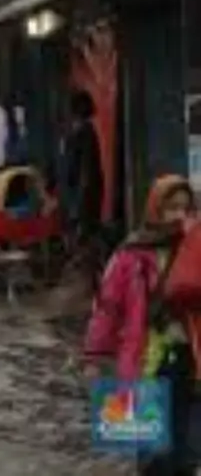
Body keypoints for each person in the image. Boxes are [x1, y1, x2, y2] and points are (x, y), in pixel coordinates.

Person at [84, 175, 201, 474]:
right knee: (151, 458)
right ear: (155, 208)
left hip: (192, 359)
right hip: (144, 360)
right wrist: (95, 356)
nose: (179, 216)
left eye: (186, 209)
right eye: (171, 207)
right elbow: (108, 307)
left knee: (189, 454)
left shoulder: (195, 250)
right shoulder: (130, 255)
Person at [64, 90, 105, 285]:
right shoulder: (80, 131)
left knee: (86, 236)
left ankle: (91, 282)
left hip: (85, 194)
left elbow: (85, 169)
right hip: (83, 193)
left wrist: (80, 201)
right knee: (85, 236)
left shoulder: (84, 132)